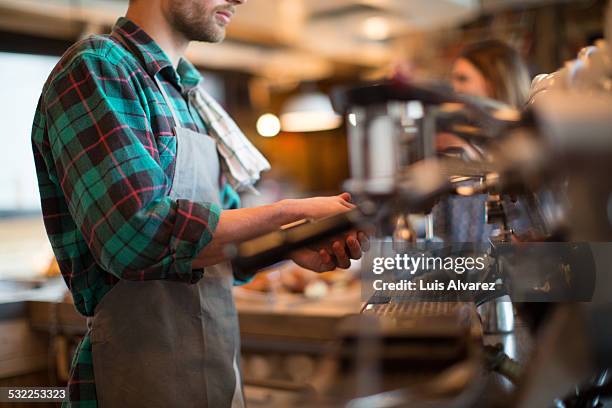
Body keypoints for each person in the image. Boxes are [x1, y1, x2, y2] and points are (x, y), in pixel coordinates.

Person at [31, 1, 368, 406]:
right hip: (135, 378)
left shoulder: (191, 99)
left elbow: (225, 248)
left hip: (217, 377)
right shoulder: (98, 69)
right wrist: (290, 211)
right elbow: (135, 236)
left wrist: (293, 241)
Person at [436, 39, 531, 242]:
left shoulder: (529, 155)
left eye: (462, 79)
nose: (454, 89)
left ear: (495, 83)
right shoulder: (457, 156)